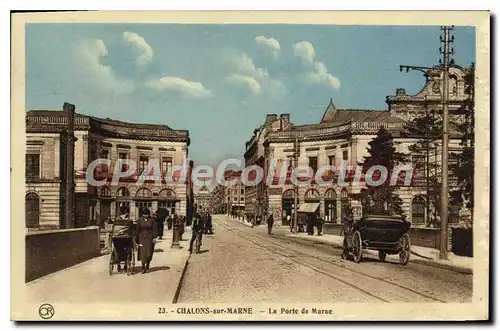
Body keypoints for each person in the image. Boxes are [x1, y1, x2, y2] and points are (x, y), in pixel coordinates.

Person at [136, 207, 157, 273]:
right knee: (142, 253)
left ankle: (147, 266)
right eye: (144, 214)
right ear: (142, 214)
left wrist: (154, 237)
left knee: (149, 253)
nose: (146, 215)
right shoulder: (139, 220)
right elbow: (137, 229)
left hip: (150, 238)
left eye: (147, 214)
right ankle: (143, 268)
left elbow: (155, 229)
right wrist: (136, 238)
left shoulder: (152, 220)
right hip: (141, 238)